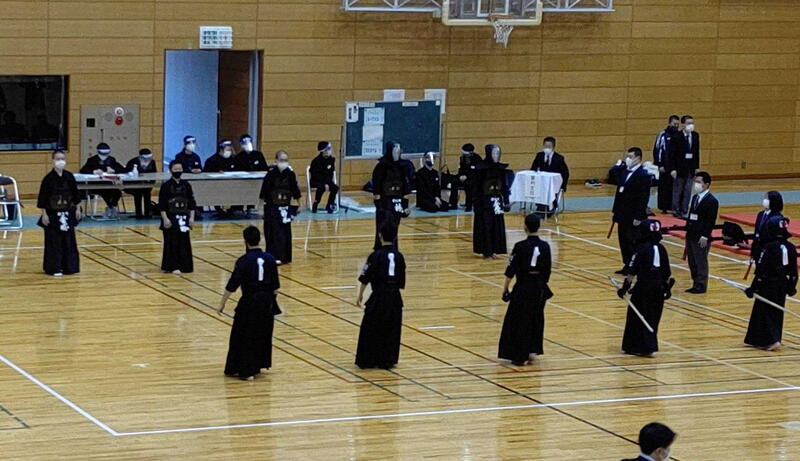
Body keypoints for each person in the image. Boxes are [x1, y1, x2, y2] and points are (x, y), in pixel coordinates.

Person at [217, 226, 281, 381]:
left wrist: (222, 304)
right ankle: (257, 365)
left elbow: (232, 285)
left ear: (245, 241)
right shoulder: (270, 259)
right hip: (266, 302)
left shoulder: (243, 261)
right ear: (260, 239)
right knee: (261, 333)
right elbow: (276, 288)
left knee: (244, 335)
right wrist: (270, 302)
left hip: (249, 301)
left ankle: (245, 370)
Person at [498, 214, 552, 366]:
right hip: (539, 288)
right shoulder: (545, 247)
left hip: (523, 287)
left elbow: (511, 270)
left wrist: (505, 289)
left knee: (519, 320)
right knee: (536, 318)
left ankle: (519, 355)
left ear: (525, 227)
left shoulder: (520, 246)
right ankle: (532, 350)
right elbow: (547, 271)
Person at [617, 220, 673, 357]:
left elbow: (632, 271)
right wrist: (667, 288)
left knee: (636, 316)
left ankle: (635, 346)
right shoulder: (662, 249)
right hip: (659, 288)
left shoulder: (640, 249)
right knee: (653, 317)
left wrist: (625, 287)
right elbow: (666, 272)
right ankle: (649, 346)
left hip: (644, 287)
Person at [355, 224, 406, 370]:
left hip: (379, 296)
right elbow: (401, 282)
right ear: (395, 237)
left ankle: (368, 360)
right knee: (391, 328)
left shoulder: (375, 255)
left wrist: (360, 295)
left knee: (370, 328)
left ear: (380, 236)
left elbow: (365, 277)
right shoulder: (400, 256)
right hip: (395, 297)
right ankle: (387, 360)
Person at [744, 215, 798, 351]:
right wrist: (791, 287)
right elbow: (793, 272)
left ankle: (772, 339)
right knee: (777, 311)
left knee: (765, 311)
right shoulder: (791, 247)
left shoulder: (768, 247)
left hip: (768, 284)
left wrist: (753, 288)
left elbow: (761, 270)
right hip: (782, 284)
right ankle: (760, 339)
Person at [37, 150, 82, 276]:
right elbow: (42, 198)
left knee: (69, 240)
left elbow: (75, 194)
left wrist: (78, 209)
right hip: (53, 213)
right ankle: (54, 268)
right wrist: (44, 214)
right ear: (53, 160)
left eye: (62, 158)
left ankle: (69, 267)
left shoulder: (69, 176)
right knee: (54, 241)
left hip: (68, 213)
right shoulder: (48, 179)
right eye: (58, 159)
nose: (60, 161)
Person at [610, 147, 652, 273]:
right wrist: (616, 212)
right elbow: (618, 189)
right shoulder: (624, 171)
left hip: (633, 214)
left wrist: (639, 216)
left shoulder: (643, 175)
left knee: (632, 241)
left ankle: (635, 266)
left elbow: (643, 197)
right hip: (622, 213)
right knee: (623, 241)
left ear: (638, 158)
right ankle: (627, 264)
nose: (628, 159)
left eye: (630, 157)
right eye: (627, 157)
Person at [259, 150, 301, 265]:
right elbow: (263, 193)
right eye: (281, 160)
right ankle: (273, 256)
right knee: (272, 233)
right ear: (276, 160)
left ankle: (285, 257)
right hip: (271, 208)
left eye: (286, 160)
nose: (284, 162)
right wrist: (260, 208)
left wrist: (299, 204)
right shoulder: (270, 174)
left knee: (285, 233)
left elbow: (295, 190)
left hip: (285, 208)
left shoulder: (290, 174)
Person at [472, 144, 512, 259]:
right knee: (486, 226)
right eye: (494, 153)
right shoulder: (480, 169)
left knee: (496, 226)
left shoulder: (501, 169)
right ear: (489, 154)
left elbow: (504, 187)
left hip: (497, 202)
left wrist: (506, 201)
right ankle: (487, 251)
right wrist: (476, 204)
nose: (496, 156)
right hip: (484, 202)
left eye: (498, 153)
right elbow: (475, 188)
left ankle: (495, 250)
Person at [371, 142, 412, 250]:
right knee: (382, 225)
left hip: (397, 200)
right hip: (385, 200)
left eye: (398, 149)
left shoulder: (403, 166)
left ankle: (393, 247)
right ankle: (379, 248)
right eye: (395, 149)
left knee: (395, 225)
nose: (397, 152)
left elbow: (406, 186)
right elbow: (376, 186)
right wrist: (378, 205)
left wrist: (405, 205)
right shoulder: (381, 166)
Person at [683, 171, 719, 294]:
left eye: (699, 182)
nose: (696, 184)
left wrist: (705, 235)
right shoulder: (695, 198)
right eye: (695, 181)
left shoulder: (712, 201)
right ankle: (695, 282)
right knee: (692, 261)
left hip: (701, 236)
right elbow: (691, 216)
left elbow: (710, 221)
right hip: (691, 234)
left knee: (700, 261)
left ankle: (701, 285)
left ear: (706, 184)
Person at [159, 160, 196, 274]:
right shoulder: (166, 186)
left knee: (184, 242)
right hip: (170, 216)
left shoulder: (186, 185)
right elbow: (162, 205)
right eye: (175, 169)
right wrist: (165, 219)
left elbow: (192, 203)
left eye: (180, 169)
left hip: (184, 217)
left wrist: (191, 218)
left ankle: (185, 266)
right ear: (171, 170)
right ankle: (172, 266)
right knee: (172, 242)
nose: (178, 171)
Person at [80, 142, 124, 219]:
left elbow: (122, 169)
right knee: (105, 192)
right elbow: (83, 170)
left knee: (117, 192)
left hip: (108, 183)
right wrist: (94, 171)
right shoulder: (92, 160)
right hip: (95, 184)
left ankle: (111, 207)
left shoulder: (111, 159)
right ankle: (111, 208)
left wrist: (113, 170)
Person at [668, 115, 700, 218]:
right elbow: (671, 154)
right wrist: (672, 169)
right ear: (683, 125)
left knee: (687, 190)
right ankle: (675, 209)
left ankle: (684, 209)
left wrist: (696, 167)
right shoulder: (676, 137)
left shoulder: (695, 136)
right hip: (679, 168)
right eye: (688, 123)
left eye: (692, 123)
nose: (691, 125)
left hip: (690, 168)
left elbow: (696, 152)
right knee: (678, 190)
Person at [530, 136, 569, 215]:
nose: (547, 148)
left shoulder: (559, 158)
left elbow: (565, 173)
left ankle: (550, 207)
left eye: (549, 146)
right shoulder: (539, 156)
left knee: (549, 190)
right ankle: (541, 207)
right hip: (541, 183)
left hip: (554, 184)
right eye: (545, 146)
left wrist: (563, 186)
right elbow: (533, 169)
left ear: (553, 147)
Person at [653, 115, 679, 214]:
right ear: (669, 123)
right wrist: (659, 165)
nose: (676, 126)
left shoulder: (679, 135)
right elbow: (657, 150)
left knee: (674, 187)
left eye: (677, 124)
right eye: (674, 124)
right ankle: (663, 207)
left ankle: (673, 206)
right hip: (664, 166)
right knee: (664, 187)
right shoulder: (663, 135)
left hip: (675, 166)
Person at [124, 148, 157, 219]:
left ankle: (147, 213)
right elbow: (126, 174)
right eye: (146, 158)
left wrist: (151, 183)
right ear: (140, 157)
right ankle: (138, 214)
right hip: (134, 185)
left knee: (147, 194)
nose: (148, 160)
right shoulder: (133, 162)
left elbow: (154, 173)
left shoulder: (152, 162)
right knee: (138, 194)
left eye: (149, 158)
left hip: (147, 184)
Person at [309, 141, 339, 213]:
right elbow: (316, 175)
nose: (329, 151)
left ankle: (329, 205)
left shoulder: (331, 160)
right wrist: (325, 183)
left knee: (335, 188)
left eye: (330, 149)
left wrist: (328, 183)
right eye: (328, 149)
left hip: (327, 180)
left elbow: (331, 173)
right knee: (321, 187)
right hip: (316, 180)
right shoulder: (316, 161)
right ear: (323, 151)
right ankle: (316, 203)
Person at [455, 143, 482, 211]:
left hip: (474, 178)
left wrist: (467, 177)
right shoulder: (462, 158)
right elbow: (460, 169)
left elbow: (477, 172)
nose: (463, 155)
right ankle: (453, 203)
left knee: (469, 184)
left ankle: (469, 205)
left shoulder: (477, 159)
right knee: (454, 181)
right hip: (463, 177)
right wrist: (460, 176)